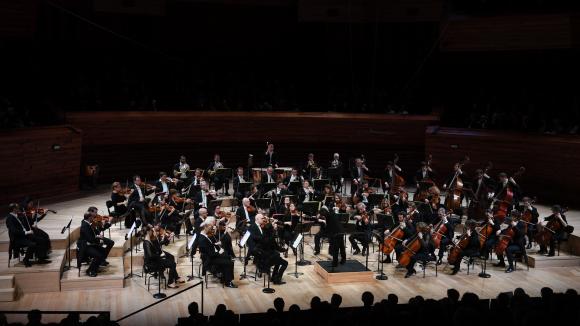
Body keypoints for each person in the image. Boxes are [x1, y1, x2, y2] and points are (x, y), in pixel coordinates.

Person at [197, 220, 237, 288]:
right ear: (205, 227)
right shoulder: (202, 239)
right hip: (209, 259)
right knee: (229, 262)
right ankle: (228, 282)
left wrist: (215, 244)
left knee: (227, 256)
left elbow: (208, 246)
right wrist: (219, 253)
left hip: (211, 256)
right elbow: (210, 253)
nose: (212, 229)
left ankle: (223, 277)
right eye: (210, 227)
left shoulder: (204, 235)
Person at [77, 212, 106, 277]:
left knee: (103, 251)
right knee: (98, 255)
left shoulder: (86, 223)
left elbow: (91, 236)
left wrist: (97, 236)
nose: (93, 218)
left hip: (89, 244)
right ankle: (90, 270)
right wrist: (98, 237)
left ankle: (95, 268)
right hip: (84, 246)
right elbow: (90, 238)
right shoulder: (85, 226)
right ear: (89, 218)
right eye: (92, 217)